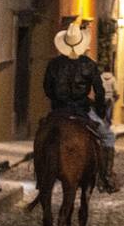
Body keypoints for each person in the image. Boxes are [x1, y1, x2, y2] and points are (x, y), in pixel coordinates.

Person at [43, 21, 119, 192]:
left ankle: (41, 174)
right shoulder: (89, 64)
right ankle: (106, 177)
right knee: (108, 137)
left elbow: (47, 88)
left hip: (59, 110)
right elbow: (99, 92)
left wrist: (57, 102)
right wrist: (100, 112)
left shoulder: (54, 64)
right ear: (81, 44)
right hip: (82, 110)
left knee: (43, 135)